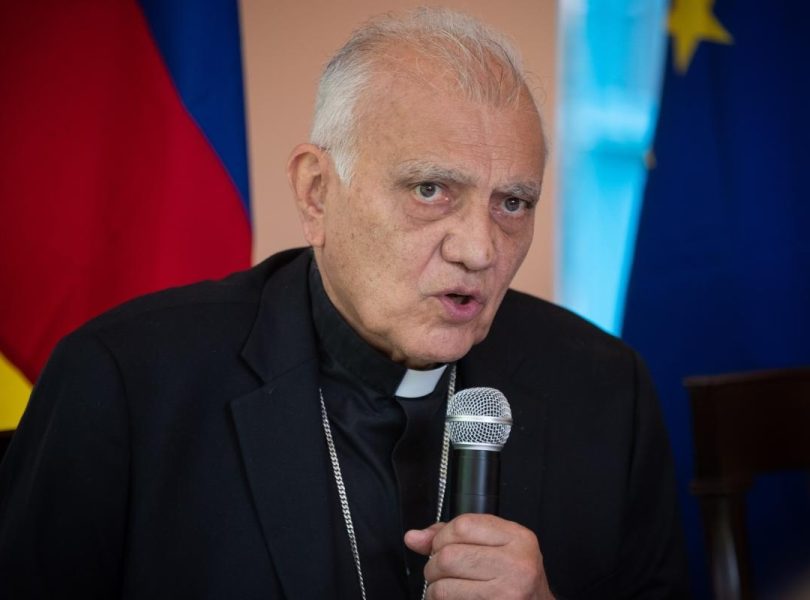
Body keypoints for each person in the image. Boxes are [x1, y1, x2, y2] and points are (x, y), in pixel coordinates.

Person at [0, 7, 689, 599]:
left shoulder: (606, 389)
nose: (480, 250)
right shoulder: (126, 383)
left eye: (512, 203)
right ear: (317, 193)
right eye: (430, 190)